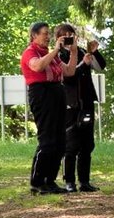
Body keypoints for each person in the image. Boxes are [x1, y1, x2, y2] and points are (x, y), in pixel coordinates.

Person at [20, 22, 77, 195]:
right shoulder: (30, 52)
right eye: (44, 33)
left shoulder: (51, 54)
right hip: (41, 94)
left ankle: (50, 181)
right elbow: (37, 66)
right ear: (34, 35)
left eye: (48, 34)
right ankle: (37, 182)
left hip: (57, 93)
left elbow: (69, 72)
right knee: (47, 140)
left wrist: (73, 51)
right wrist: (55, 50)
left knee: (60, 141)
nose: (47, 37)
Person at [55, 24, 106, 193]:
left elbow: (100, 67)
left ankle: (84, 181)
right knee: (71, 145)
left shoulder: (83, 52)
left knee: (87, 144)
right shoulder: (57, 56)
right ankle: (69, 181)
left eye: (71, 34)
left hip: (86, 103)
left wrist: (94, 52)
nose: (70, 38)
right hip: (70, 106)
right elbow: (67, 77)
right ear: (59, 38)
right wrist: (82, 65)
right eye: (65, 35)